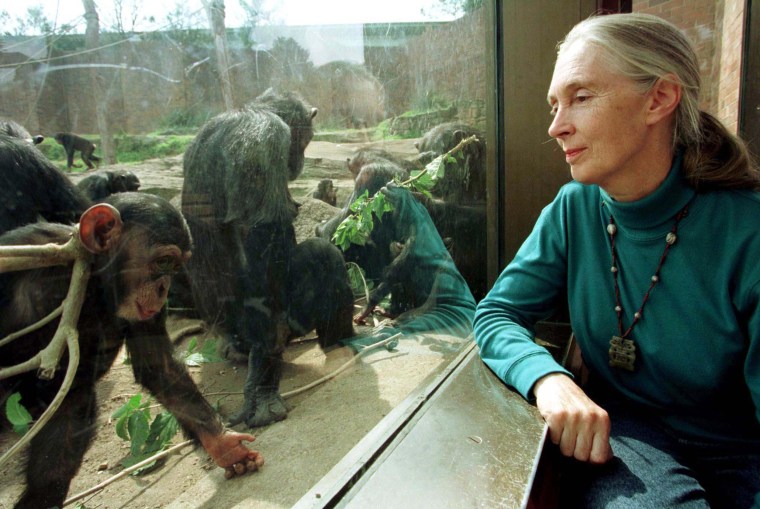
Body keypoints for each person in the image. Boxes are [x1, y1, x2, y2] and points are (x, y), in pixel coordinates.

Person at [473, 12, 760, 508]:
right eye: (554, 104)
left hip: (743, 447)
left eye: (581, 97)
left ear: (659, 99)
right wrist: (548, 379)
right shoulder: (572, 210)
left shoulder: (746, 230)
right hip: (631, 441)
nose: (557, 127)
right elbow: (496, 313)